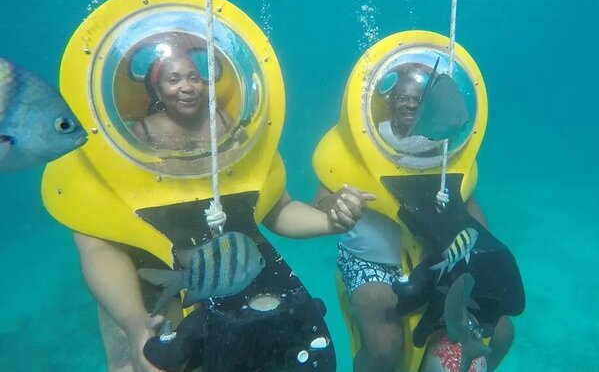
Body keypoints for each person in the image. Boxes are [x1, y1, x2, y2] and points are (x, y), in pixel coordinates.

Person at [75, 49, 377, 372]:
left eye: (193, 76)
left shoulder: (229, 127)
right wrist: (135, 322)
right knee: (153, 361)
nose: (187, 86)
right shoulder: (132, 139)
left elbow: (278, 208)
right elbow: (98, 242)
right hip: (151, 265)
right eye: (173, 79)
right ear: (157, 89)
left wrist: (331, 221)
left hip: (226, 262)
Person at [314, 69, 514, 372]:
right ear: (391, 99)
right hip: (371, 262)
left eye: (418, 99)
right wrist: (337, 206)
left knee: (501, 334)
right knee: (384, 348)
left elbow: (467, 204)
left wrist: (479, 255)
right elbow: (320, 200)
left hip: (438, 258)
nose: (410, 104)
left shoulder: (442, 144)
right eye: (403, 97)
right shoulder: (362, 140)